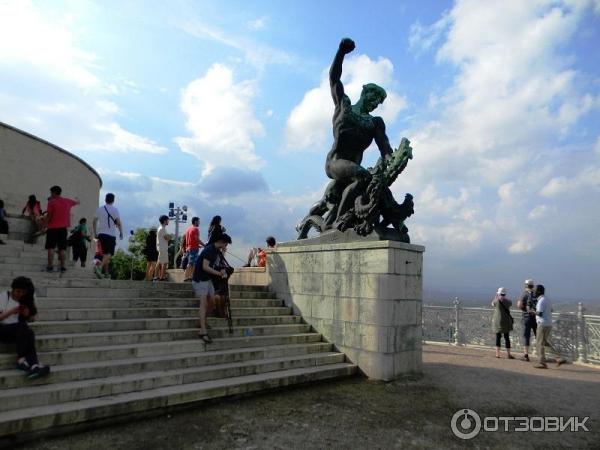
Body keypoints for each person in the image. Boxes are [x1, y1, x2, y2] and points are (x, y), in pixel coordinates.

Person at [0, 277, 50, 379]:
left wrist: (27, 314)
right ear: (13, 289)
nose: (20, 294)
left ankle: (33, 365)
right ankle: (22, 360)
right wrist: (13, 311)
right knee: (24, 328)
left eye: (23, 292)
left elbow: (32, 319)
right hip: (2, 329)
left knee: (29, 332)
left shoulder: (27, 299)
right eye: (18, 291)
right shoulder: (4, 296)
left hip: (17, 332)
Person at [192, 233, 232, 344]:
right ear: (221, 242)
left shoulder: (216, 251)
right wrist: (219, 273)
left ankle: (202, 321)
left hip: (207, 279)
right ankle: (203, 330)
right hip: (200, 279)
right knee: (204, 303)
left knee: (212, 302)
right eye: (226, 244)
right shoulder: (209, 250)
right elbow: (205, 267)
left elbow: (215, 265)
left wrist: (222, 270)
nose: (226, 246)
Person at [44, 186, 80, 273]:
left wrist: (44, 225)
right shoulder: (67, 201)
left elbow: (49, 216)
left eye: (51, 193)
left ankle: (50, 266)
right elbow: (77, 202)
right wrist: (77, 199)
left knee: (51, 247)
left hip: (52, 228)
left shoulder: (51, 202)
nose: (51, 195)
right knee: (62, 248)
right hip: (63, 229)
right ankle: (63, 266)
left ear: (54, 193)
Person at [534, 284, 566, 369]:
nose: (534, 291)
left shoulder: (541, 301)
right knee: (544, 342)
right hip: (548, 324)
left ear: (539, 291)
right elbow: (551, 310)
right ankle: (558, 357)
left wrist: (532, 311)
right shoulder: (547, 299)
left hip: (542, 324)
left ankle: (542, 363)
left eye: (535, 290)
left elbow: (539, 313)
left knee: (539, 343)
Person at [92, 193, 123, 279]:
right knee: (109, 254)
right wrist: (121, 232)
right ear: (113, 200)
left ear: (105, 199)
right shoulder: (114, 209)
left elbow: (94, 221)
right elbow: (118, 222)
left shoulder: (100, 209)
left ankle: (106, 273)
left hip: (101, 234)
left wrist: (95, 233)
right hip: (110, 234)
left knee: (104, 254)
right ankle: (99, 267)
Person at [518, 278, 537, 362]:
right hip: (536, 318)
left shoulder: (524, 294)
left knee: (526, 336)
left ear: (526, 285)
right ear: (533, 286)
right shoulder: (536, 294)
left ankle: (526, 355)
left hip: (527, 317)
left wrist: (524, 310)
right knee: (538, 336)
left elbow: (519, 305)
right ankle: (542, 355)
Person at [492, 287, 514, 359]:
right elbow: (510, 303)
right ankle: (508, 354)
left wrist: (496, 296)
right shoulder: (508, 301)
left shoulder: (496, 301)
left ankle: (497, 354)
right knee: (507, 338)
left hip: (498, 322)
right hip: (506, 322)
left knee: (498, 337)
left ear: (498, 293)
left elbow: (492, 303)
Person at [183, 217, 205, 282]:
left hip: (188, 248)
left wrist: (198, 246)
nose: (199, 223)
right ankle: (186, 277)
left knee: (192, 263)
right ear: (195, 221)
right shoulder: (195, 229)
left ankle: (191, 276)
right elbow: (197, 239)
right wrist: (204, 245)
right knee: (191, 263)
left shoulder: (188, 229)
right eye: (198, 221)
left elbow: (190, 240)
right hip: (193, 249)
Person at [155, 215, 171, 281]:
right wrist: (169, 237)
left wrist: (169, 237)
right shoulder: (162, 229)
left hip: (161, 248)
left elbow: (167, 237)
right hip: (163, 248)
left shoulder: (160, 228)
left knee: (160, 262)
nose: (168, 221)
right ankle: (161, 277)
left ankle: (157, 276)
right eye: (167, 220)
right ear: (165, 221)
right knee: (164, 263)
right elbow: (167, 238)